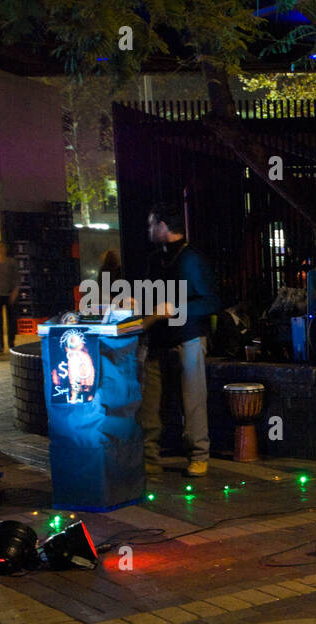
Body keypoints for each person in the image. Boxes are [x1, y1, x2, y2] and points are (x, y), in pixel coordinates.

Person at [137, 200, 221, 478]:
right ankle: (150, 458)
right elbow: (147, 297)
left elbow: (211, 302)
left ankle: (199, 456)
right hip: (158, 339)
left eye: (151, 224)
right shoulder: (155, 259)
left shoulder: (191, 259)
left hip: (187, 339)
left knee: (192, 402)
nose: (148, 229)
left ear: (162, 226)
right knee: (151, 404)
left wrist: (176, 309)